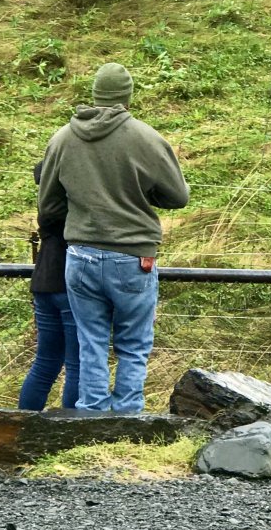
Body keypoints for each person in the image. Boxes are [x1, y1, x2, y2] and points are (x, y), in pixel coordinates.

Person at [36, 63, 189, 413]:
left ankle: (91, 414)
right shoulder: (146, 138)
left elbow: (48, 205)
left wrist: (83, 209)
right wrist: (138, 195)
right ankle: (127, 417)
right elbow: (178, 196)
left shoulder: (62, 139)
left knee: (91, 341)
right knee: (133, 344)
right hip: (133, 255)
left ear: (95, 93)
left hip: (81, 256)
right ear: (127, 97)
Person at [17, 161, 79, 410]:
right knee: (78, 365)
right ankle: (70, 434)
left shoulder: (46, 200)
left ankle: (22, 426)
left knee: (45, 363)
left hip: (44, 280)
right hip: (70, 283)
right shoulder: (75, 203)